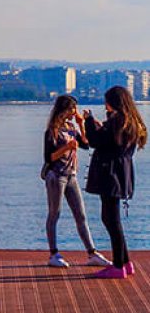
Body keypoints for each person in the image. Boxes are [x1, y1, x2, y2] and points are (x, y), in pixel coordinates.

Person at [85, 85, 147, 279]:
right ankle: (125, 262)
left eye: (107, 101)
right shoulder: (131, 122)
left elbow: (96, 140)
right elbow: (109, 140)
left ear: (113, 102)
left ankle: (119, 266)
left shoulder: (117, 121)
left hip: (110, 174)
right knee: (113, 219)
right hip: (122, 174)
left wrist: (88, 121)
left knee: (111, 219)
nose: (105, 105)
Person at [43, 95, 108, 268]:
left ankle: (92, 252)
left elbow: (86, 144)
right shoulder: (52, 130)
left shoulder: (71, 127)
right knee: (54, 214)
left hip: (72, 175)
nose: (75, 112)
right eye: (73, 109)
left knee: (81, 215)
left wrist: (81, 124)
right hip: (56, 176)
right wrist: (66, 147)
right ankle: (54, 254)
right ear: (64, 109)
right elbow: (49, 157)